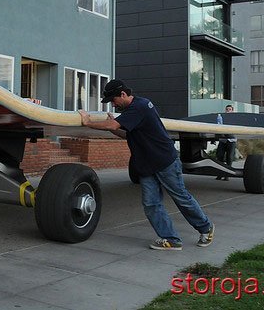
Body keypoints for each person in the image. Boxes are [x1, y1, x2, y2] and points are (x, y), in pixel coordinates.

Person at [79, 79, 214, 251]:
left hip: (164, 161)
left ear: (123, 94)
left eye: (113, 100)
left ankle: (206, 228)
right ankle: (171, 239)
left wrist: (88, 121)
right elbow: (129, 135)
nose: (112, 104)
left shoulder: (140, 106)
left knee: (181, 198)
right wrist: (113, 129)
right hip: (147, 165)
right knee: (151, 204)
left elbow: (113, 123)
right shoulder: (133, 111)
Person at [215, 104, 237, 181]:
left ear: (232, 110)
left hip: (231, 140)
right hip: (223, 140)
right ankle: (220, 174)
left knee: (229, 158)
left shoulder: (235, 118)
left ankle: (227, 175)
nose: (228, 111)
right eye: (227, 109)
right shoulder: (221, 117)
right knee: (219, 156)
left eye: (230, 109)